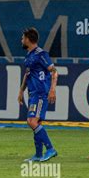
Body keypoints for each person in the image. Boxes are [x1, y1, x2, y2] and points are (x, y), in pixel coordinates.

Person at [18, 28, 59, 162]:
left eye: (23, 38)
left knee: (32, 121)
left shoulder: (41, 54)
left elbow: (54, 71)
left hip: (41, 93)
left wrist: (52, 89)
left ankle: (50, 149)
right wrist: (21, 91)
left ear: (28, 39)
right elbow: (27, 74)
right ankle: (38, 154)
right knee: (36, 122)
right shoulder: (29, 55)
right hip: (33, 93)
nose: (21, 40)